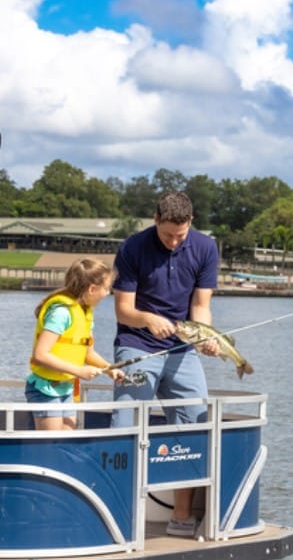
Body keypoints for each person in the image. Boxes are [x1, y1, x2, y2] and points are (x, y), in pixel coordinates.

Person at [110, 191, 220, 537]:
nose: (174, 242)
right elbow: (123, 310)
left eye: (181, 235)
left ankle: (182, 517)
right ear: (155, 220)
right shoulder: (132, 247)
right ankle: (118, 514)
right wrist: (147, 319)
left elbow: (200, 307)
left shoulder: (205, 248)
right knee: (124, 423)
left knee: (195, 425)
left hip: (181, 349)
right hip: (136, 345)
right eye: (168, 234)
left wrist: (205, 336)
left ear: (191, 223)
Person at [26, 258, 124, 430]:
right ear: (92, 289)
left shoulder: (85, 313)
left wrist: (109, 369)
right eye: (106, 288)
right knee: (52, 446)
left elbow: (88, 354)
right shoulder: (61, 313)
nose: (108, 293)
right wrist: (79, 371)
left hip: (66, 388)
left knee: (67, 441)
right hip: (46, 389)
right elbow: (40, 354)